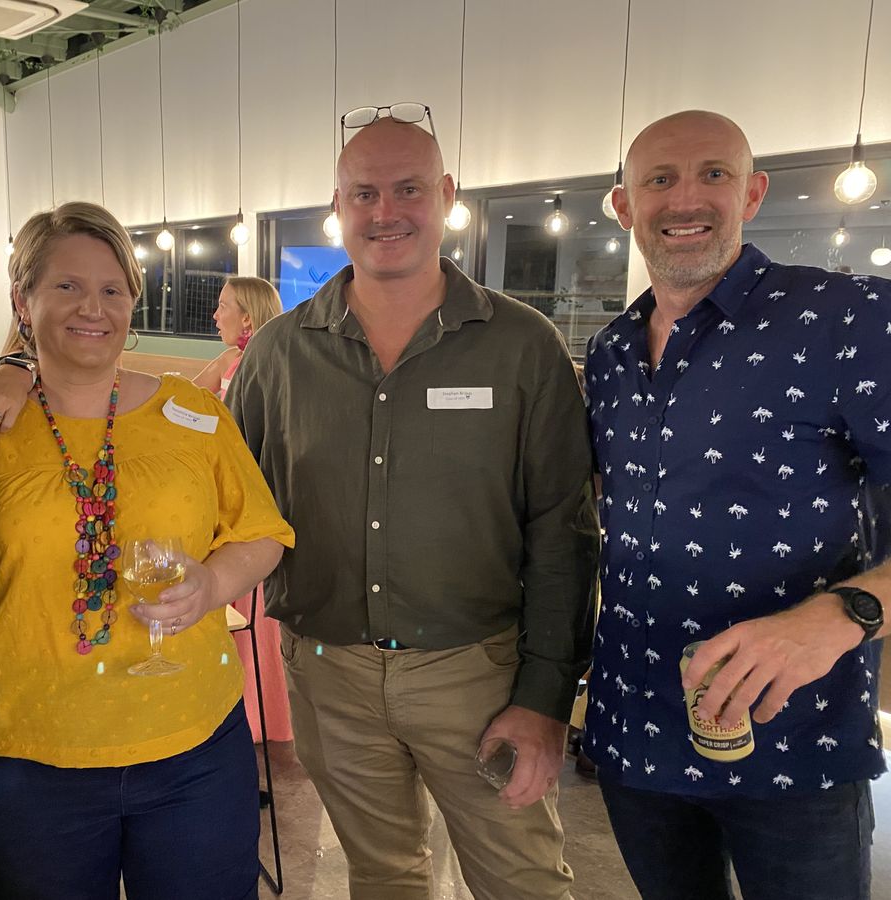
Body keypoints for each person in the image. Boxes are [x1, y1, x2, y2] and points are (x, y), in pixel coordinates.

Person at [227, 110, 600, 899]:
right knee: (383, 878)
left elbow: (563, 534)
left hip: (479, 676)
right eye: (364, 193)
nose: (385, 211)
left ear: (448, 196)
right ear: (338, 205)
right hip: (327, 675)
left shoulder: (521, 345)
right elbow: (225, 499)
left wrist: (545, 700)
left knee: (524, 882)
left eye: (409, 189)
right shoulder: (279, 353)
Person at [584, 109, 891, 900]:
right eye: (660, 179)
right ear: (624, 206)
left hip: (794, 746)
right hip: (635, 734)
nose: (687, 199)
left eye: (713, 174)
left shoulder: (847, 318)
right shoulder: (611, 352)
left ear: (752, 193)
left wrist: (846, 613)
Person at [0, 201, 294, 900]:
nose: (94, 308)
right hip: (29, 750)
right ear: (21, 299)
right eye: (67, 286)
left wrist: (211, 584)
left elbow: (262, 532)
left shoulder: (193, 414)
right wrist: (11, 369)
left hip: (193, 745)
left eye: (113, 289)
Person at [193, 276, 293, 743]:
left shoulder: (259, 362)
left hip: (248, 501)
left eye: (223, 306)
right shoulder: (235, 360)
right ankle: (248, 708)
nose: (215, 316)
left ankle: (247, 711)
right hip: (239, 496)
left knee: (248, 604)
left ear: (247, 316)